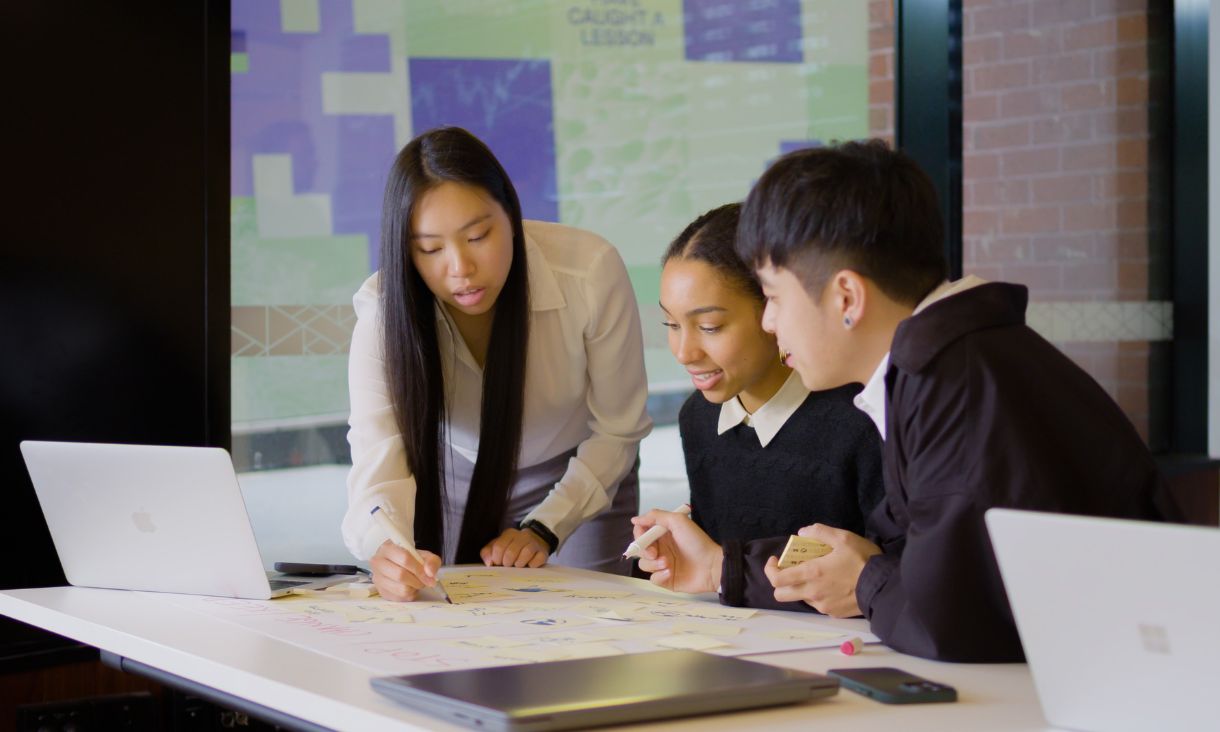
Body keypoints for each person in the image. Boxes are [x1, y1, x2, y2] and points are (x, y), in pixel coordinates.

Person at [633, 140, 1176, 662]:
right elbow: (894, 556)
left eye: (774, 298)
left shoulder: (957, 386)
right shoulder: (937, 369)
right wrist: (722, 570)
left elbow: (946, 617)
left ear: (847, 296)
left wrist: (867, 580)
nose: (772, 323)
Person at [342, 127, 652, 601]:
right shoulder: (385, 311)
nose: (460, 267)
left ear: (511, 213)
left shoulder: (589, 271)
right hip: (454, 476)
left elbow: (618, 429)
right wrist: (387, 546)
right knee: (443, 613)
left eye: (478, 235)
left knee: (595, 617)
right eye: (430, 249)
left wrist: (546, 528)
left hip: (581, 468)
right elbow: (377, 455)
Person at [637, 203, 884, 610]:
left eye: (710, 327)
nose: (684, 352)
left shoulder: (859, 417)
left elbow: (888, 580)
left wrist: (723, 570)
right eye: (672, 325)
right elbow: (721, 569)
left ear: (773, 309)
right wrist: (675, 555)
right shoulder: (698, 417)